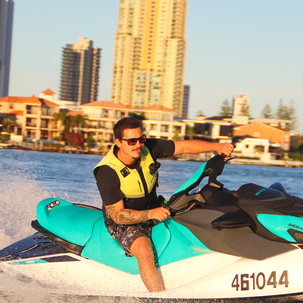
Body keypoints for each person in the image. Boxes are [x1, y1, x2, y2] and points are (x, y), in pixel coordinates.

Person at [94, 117, 233, 292]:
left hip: (156, 208)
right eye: (131, 141)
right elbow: (118, 215)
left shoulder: (147, 149)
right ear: (118, 142)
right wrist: (150, 214)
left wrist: (217, 147)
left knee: (199, 215)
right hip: (125, 222)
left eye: (141, 139)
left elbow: (183, 147)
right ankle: (160, 301)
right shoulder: (107, 172)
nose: (138, 145)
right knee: (144, 251)